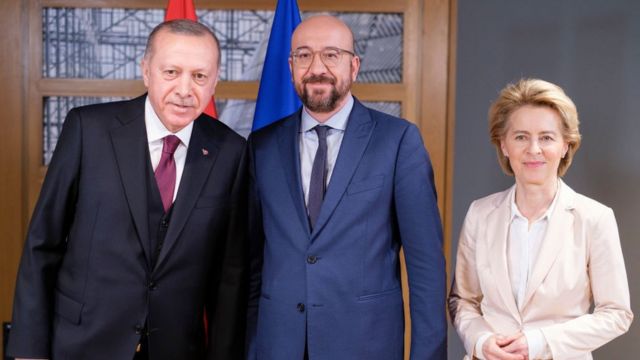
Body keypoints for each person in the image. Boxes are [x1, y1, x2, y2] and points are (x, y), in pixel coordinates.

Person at [7, 19, 247, 360]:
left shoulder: (231, 152)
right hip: (82, 345)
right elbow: (42, 246)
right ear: (146, 70)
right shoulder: (88, 130)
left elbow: (229, 277)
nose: (184, 89)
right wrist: (29, 351)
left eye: (199, 76)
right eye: (171, 72)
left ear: (215, 82)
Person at [246, 15, 446, 360]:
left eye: (331, 55)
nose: (316, 67)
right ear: (291, 66)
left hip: (366, 345)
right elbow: (249, 263)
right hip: (277, 345)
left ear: (354, 66)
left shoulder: (397, 141)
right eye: (304, 55)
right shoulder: (261, 146)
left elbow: (425, 266)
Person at [448, 78, 633, 360]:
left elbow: (617, 314)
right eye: (521, 136)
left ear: (565, 146)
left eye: (546, 137)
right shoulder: (480, 213)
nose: (534, 149)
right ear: (504, 145)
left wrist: (539, 342)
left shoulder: (595, 218)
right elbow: (463, 301)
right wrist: (481, 341)